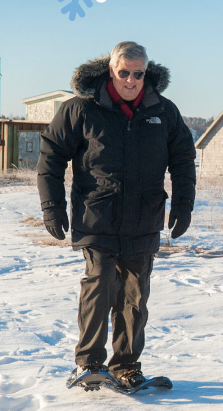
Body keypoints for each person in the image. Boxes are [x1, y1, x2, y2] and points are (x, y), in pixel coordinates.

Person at [37, 41, 196, 389]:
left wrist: (184, 204)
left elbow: (183, 159)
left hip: (144, 218)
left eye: (138, 74)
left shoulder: (163, 111)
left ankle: (126, 365)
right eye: (124, 72)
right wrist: (52, 206)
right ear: (111, 70)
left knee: (135, 295)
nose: (131, 80)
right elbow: (50, 157)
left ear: (146, 73)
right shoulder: (81, 109)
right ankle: (89, 364)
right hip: (97, 216)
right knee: (100, 285)